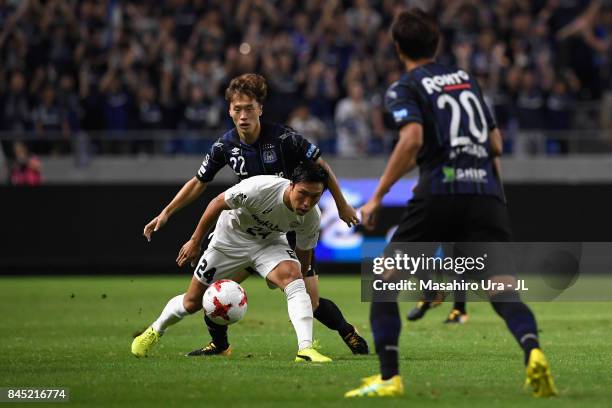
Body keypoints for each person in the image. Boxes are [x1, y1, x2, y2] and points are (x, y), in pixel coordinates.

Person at [345, 9, 557, 398]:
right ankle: (534, 352)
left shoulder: (404, 87)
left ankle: (389, 379)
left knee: (382, 282)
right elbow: (495, 144)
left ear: (397, 48)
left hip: (440, 190)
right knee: (503, 289)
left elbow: (410, 140)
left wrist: (376, 196)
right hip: (485, 195)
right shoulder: (467, 81)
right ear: (436, 43)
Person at [143, 73, 368, 357]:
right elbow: (199, 183)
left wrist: (341, 204)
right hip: (243, 229)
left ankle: (345, 331)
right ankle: (219, 345)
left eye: (249, 108)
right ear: (229, 111)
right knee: (213, 295)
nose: (243, 115)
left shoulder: (285, 139)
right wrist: (166, 213)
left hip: (284, 225)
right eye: (237, 109)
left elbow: (321, 167)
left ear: (260, 108)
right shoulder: (225, 146)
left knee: (309, 300)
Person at [132, 164, 332, 363]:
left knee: (295, 281)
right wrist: (195, 241)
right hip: (228, 241)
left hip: (269, 244)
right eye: (303, 193)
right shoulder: (260, 188)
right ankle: (155, 330)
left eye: (315, 197)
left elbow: (304, 255)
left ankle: (305, 349)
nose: (307, 202)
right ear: (291, 185)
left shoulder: (312, 217)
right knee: (192, 303)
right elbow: (217, 203)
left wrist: (296, 292)